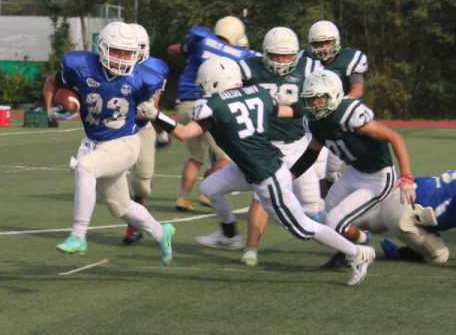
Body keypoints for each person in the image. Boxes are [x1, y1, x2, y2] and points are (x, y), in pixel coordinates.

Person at [137, 56, 376, 286]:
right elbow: (295, 112)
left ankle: (358, 252)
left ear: (214, 81)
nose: (202, 90)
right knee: (210, 187)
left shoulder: (212, 105)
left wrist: (156, 115)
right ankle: (230, 236)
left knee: (303, 228)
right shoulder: (259, 94)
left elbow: (184, 133)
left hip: (266, 175)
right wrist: (289, 101)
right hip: (255, 167)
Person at [43, 21, 175, 266]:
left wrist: (153, 116)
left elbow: (150, 110)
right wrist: (52, 108)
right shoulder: (81, 65)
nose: (123, 58)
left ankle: (78, 235)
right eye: (117, 51)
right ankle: (161, 233)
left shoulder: (145, 75)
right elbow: (53, 81)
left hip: (124, 142)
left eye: (128, 53)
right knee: (122, 208)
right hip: (96, 143)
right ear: (102, 48)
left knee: (85, 168)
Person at [290, 69, 415, 270]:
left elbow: (395, 137)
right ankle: (359, 241)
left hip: (378, 177)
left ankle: (356, 250)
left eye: (320, 98)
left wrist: (407, 177)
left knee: (335, 223)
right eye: (310, 98)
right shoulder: (315, 122)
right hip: (354, 171)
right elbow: (311, 153)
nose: (314, 103)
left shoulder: (350, 114)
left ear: (334, 95)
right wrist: (289, 177)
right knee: (323, 223)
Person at [237, 27, 322, 266]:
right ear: (265, 53)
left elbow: (323, 94)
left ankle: (344, 235)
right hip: (263, 145)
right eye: (276, 55)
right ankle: (250, 249)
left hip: (297, 144)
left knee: (311, 207)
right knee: (260, 197)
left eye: (287, 56)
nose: (282, 61)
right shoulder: (248, 68)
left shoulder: (310, 68)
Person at [167, 16, 254, 211]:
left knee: (196, 156)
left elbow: (173, 49)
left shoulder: (201, 38)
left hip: (184, 103)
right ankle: (206, 193)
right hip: (210, 104)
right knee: (225, 155)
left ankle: (183, 198)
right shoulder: (241, 54)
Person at [300, 20, 369, 200]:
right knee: (316, 165)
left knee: (332, 170)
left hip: (338, 119)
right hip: (313, 120)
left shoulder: (349, 59)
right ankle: (320, 203)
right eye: (318, 43)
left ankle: (334, 200)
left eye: (327, 42)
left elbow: (357, 89)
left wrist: (338, 107)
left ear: (336, 41)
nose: (323, 48)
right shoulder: (304, 60)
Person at [122, 23, 170, 246]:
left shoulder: (155, 68)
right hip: (112, 128)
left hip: (141, 129)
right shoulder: (105, 65)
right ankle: (132, 226)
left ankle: (136, 219)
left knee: (142, 186)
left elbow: (150, 110)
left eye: (137, 47)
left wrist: (162, 132)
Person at [354, 170, 455, 263]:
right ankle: (395, 251)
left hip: (402, 192)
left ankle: (343, 224)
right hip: (404, 215)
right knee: (441, 255)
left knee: (363, 222)